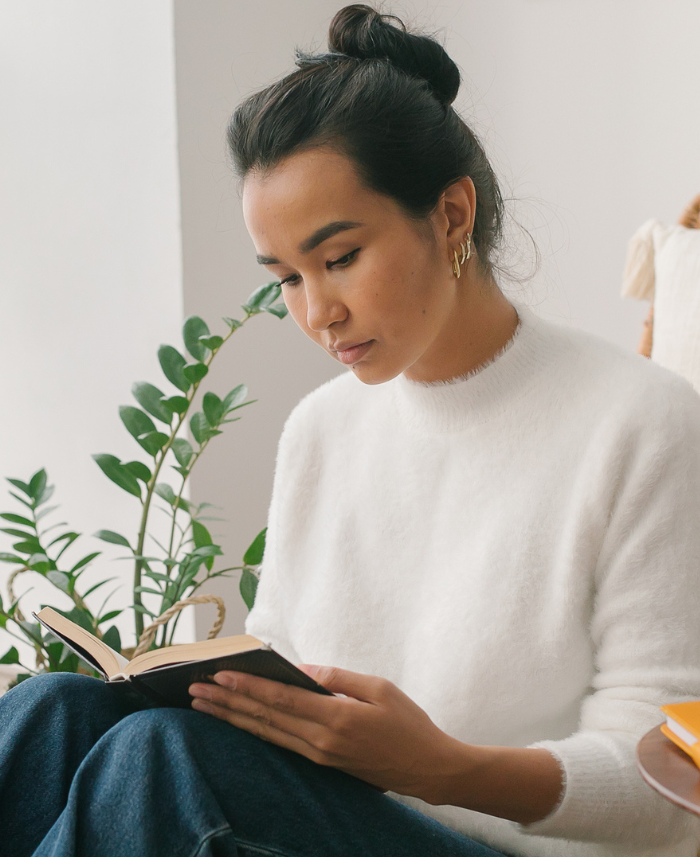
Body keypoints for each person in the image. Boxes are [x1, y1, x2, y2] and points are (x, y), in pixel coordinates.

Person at [2, 4, 700, 856]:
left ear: (450, 216)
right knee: (53, 707)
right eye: (287, 277)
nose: (317, 312)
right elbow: (285, 679)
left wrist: (442, 767)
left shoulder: (644, 423)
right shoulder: (321, 429)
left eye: (339, 259)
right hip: (343, 823)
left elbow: (669, 786)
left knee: (161, 759)